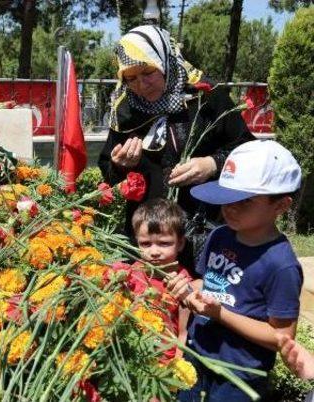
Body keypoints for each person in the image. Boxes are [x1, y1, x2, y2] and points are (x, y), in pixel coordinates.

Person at [97, 25, 255, 269]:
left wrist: (212, 164)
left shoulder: (208, 98)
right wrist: (119, 165)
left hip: (200, 228)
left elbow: (248, 149)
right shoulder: (126, 110)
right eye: (131, 78)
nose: (141, 84)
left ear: (165, 61)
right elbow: (107, 168)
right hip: (148, 238)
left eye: (147, 72)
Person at [165, 140, 303, 401]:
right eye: (226, 195)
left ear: (281, 206)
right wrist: (186, 287)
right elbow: (210, 284)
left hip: (239, 374)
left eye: (245, 201)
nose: (229, 207)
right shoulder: (220, 235)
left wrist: (220, 314)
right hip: (198, 352)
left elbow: (281, 337)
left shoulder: (281, 265)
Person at [131, 198, 191, 361]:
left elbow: (183, 332)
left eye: (164, 243)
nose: (154, 251)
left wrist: (176, 364)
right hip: (132, 354)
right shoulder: (132, 272)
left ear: (180, 244)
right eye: (145, 244)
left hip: (164, 361)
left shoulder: (182, 282)